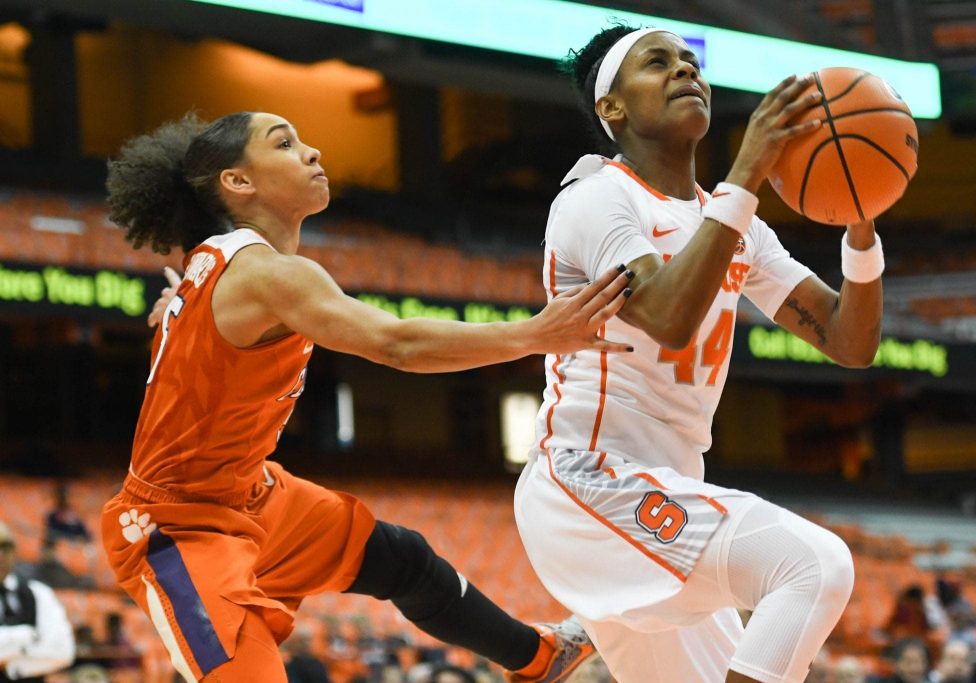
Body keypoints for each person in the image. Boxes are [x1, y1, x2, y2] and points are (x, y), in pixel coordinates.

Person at [100, 111, 633, 683]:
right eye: (285, 144)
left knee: (399, 559)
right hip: (174, 526)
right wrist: (533, 335)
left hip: (250, 495)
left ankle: (542, 660)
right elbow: (395, 343)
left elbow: (194, 329)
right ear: (238, 182)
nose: (312, 151)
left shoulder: (221, 266)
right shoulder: (265, 274)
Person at [513, 24, 889, 683]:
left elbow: (850, 341)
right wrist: (746, 174)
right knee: (812, 564)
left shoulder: (735, 222)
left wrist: (862, 218)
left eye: (690, 62)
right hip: (586, 482)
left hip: (662, 501)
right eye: (658, 64)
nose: (685, 71)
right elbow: (667, 316)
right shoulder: (594, 196)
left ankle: (582, 634)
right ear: (612, 109)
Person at [0, 521, 76, 681]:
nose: (0, 556)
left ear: (14, 552)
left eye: (5, 547)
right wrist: (26, 636)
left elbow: (63, 651)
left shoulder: (39, 593)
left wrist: (11, 667)